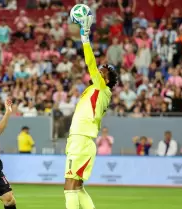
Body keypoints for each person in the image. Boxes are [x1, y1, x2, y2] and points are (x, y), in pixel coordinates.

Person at [64, 16, 118, 209]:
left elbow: (90, 64)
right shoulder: (97, 90)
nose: (100, 71)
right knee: (77, 186)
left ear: (108, 80)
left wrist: (85, 39)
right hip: (84, 138)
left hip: (81, 138)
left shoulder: (102, 88)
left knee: (69, 184)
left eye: (104, 72)